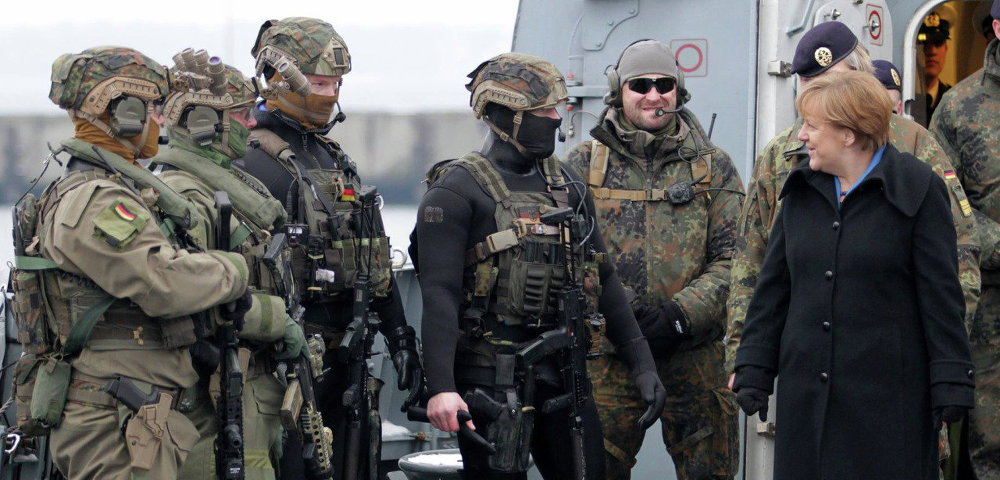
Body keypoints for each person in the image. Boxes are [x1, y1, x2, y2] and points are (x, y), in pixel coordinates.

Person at [411, 52, 666, 480]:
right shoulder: (455, 192)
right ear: (508, 115)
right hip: (489, 380)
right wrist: (441, 388)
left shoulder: (567, 186)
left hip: (564, 376)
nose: (556, 118)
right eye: (544, 110)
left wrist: (643, 364)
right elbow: (439, 293)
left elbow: (603, 276)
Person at [11, 46, 251, 480]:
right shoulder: (94, 199)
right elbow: (162, 282)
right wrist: (233, 271)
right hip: (113, 420)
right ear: (123, 114)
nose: (160, 121)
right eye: (153, 109)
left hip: (129, 412)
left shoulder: (108, 187)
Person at [733, 70, 975, 480]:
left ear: (848, 134)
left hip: (887, 403)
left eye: (812, 126)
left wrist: (952, 378)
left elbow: (941, 296)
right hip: (807, 399)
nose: (802, 136)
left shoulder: (917, 189)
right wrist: (754, 364)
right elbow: (773, 289)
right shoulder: (801, 191)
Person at [725, 20, 980, 384]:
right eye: (809, 82)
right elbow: (751, 260)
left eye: (832, 80)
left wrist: (942, 361)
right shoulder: (781, 155)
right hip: (807, 365)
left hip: (895, 368)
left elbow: (959, 254)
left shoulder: (913, 144)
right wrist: (745, 356)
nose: (820, 91)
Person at [236, 17, 423, 480]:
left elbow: (374, 257)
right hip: (281, 370)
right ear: (279, 80)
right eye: (318, 83)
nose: (330, 93)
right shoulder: (250, 163)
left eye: (336, 83)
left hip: (348, 362)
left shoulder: (334, 159)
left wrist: (401, 337)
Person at [563, 40, 741, 480]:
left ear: (678, 90)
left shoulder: (713, 167)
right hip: (610, 357)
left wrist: (679, 317)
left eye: (664, 84)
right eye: (640, 85)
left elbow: (735, 259)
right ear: (618, 91)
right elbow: (568, 255)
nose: (654, 95)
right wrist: (626, 314)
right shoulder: (581, 165)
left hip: (693, 356)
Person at [149, 53, 307, 480]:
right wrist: (277, 321)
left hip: (251, 386)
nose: (251, 123)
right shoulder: (185, 199)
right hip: (216, 397)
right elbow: (189, 297)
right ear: (204, 122)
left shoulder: (222, 188)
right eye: (239, 114)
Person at [930, 2, 1000, 476]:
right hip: (990, 301)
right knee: (990, 442)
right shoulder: (959, 107)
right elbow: (947, 201)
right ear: (997, 27)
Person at [919, 12, 952, 126]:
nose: (932, 51)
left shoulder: (955, 100)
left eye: (938, 42)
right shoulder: (900, 98)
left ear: (945, 49)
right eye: (924, 43)